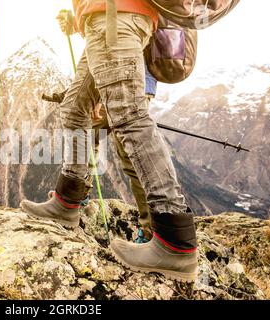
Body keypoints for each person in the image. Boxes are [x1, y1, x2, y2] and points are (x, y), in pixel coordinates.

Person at [21, 0, 198, 283]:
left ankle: (175, 241)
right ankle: (66, 203)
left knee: (129, 117)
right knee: (75, 108)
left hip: (115, 18)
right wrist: (80, 17)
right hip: (105, 19)